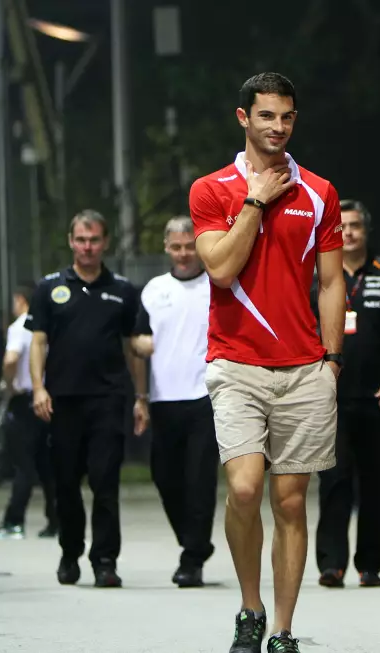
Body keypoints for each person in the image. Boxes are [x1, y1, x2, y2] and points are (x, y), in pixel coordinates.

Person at [191, 72, 345, 653]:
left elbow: (331, 283)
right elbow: (222, 269)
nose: (277, 127)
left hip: (305, 367)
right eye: (266, 116)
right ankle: (249, 608)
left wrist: (332, 360)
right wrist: (255, 200)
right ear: (243, 119)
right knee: (247, 488)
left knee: (290, 501)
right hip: (235, 364)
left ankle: (281, 629)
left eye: (286, 117)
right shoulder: (212, 189)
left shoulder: (321, 192)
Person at [27, 209, 149, 589]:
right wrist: (38, 387)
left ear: (105, 242)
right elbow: (37, 341)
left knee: (105, 481)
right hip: (62, 400)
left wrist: (141, 397)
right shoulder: (50, 289)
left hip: (108, 399)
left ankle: (105, 560)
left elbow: (134, 348)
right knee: (66, 483)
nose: (87, 247)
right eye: (81, 239)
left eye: (94, 240)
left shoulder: (124, 291)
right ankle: (70, 551)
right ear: (70, 241)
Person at [311, 199, 380, 589]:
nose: (349, 233)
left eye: (356, 226)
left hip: (378, 397)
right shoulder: (319, 274)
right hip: (330, 398)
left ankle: (369, 564)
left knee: (374, 482)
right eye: (343, 226)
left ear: (366, 231)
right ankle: (331, 564)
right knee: (334, 480)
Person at [131, 215, 218, 588]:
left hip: (207, 396)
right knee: (164, 477)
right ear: (166, 248)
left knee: (199, 480)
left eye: (189, 246)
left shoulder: (218, 286)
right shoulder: (153, 290)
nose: (183, 254)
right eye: (176, 247)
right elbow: (136, 342)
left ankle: (192, 558)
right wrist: (141, 397)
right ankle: (193, 540)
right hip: (164, 398)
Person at [0, 284, 58, 540]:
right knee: (48, 465)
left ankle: (14, 521)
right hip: (48, 398)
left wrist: (9, 383)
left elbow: (10, 359)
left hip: (24, 399)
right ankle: (56, 520)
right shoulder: (48, 327)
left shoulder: (20, 327)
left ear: (21, 300)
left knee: (22, 465)